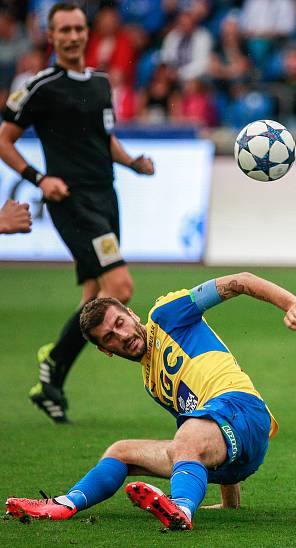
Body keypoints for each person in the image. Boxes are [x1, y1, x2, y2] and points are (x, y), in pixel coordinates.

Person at [5, 272, 296, 531]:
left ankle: (179, 509)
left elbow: (240, 281)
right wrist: (231, 502)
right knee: (121, 451)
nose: (121, 335)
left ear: (132, 314)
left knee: (187, 436)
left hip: (244, 410)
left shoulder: (166, 313)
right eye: (109, 336)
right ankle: (64, 504)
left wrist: (290, 304)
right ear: (106, 350)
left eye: (120, 322)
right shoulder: (152, 382)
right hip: (230, 455)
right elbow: (202, 433)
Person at [0, 2, 155, 423]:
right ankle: (53, 361)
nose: (72, 36)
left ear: (88, 33)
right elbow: (5, 139)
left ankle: (51, 379)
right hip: (71, 201)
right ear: (50, 37)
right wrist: (39, 178)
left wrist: (132, 163)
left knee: (94, 295)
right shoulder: (40, 86)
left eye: (78, 29)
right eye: (63, 30)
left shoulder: (102, 83)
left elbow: (104, 140)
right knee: (119, 289)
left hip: (106, 196)